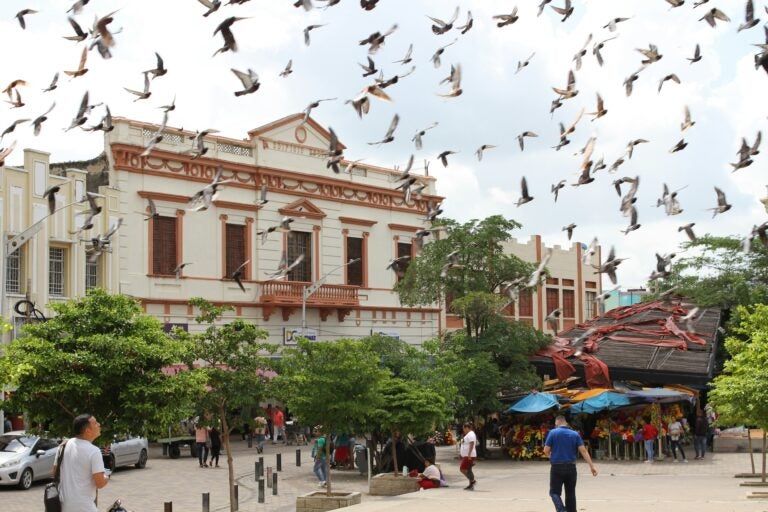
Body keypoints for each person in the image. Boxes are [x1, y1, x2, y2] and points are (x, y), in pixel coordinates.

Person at [543, 415, 598, 512]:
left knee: (554, 492)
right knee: (570, 493)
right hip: (571, 467)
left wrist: (551, 456)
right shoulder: (575, 434)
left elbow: (546, 450)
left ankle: (561, 510)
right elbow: (584, 451)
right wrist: (591, 466)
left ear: (556, 423)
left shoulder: (552, 433)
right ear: (566, 423)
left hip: (557, 467)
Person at [56, 414, 109, 512]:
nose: (99, 424)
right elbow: (100, 483)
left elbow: (55, 471)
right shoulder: (94, 451)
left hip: (64, 505)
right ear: (87, 431)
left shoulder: (63, 445)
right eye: (95, 423)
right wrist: (107, 476)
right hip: (84, 507)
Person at [459, 422, 477, 491]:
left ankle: (472, 481)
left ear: (467, 428)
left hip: (469, 455)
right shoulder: (468, 434)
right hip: (467, 455)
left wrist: (469, 454)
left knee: (462, 469)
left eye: (464, 428)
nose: (463, 430)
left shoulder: (471, 434)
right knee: (469, 470)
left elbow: (471, 444)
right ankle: (471, 485)